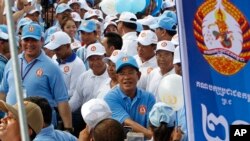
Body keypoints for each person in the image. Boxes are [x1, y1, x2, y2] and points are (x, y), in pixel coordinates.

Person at [0, 23, 72, 130]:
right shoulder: (12, 62)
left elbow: (62, 100)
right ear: (21, 41)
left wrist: (68, 128)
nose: (29, 44)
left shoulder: (52, 67)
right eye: (26, 40)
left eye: (34, 40)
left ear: (42, 41)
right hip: (13, 124)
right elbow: (3, 92)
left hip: (40, 127)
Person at [104, 55, 156, 139]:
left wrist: (152, 135)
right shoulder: (110, 98)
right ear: (117, 77)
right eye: (122, 73)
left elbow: (152, 125)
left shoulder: (149, 98)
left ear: (138, 75)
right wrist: (153, 136)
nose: (126, 77)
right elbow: (127, 123)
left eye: (130, 72)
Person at [45, 31, 86, 99]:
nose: (55, 52)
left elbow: (74, 92)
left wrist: (54, 93)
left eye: (57, 49)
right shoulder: (55, 57)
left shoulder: (78, 65)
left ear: (67, 46)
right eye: (53, 49)